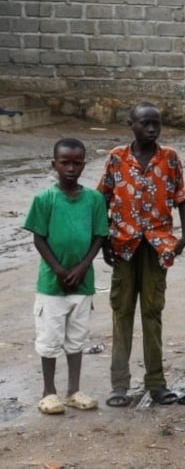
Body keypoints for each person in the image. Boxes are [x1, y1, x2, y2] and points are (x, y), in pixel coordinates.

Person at [98, 102, 185, 408]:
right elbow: (102, 198)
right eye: (145, 124)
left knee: (152, 312)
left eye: (156, 124)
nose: (151, 129)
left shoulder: (170, 158)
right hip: (123, 245)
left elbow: (181, 196)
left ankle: (156, 383)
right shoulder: (117, 158)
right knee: (121, 312)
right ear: (131, 125)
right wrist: (102, 241)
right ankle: (119, 385)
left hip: (157, 246)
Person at [24, 138, 109, 415]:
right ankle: (49, 392)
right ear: (54, 165)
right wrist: (59, 270)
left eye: (77, 163)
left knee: (76, 338)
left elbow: (98, 236)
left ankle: (73, 390)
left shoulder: (94, 200)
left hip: (82, 284)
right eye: (65, 163)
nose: (71, 168)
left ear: (84, 164)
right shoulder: (44, 199)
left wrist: (83, 266)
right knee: (49, 339)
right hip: (52, 284)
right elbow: (39, 238)